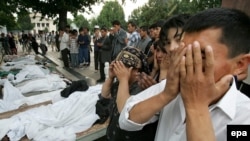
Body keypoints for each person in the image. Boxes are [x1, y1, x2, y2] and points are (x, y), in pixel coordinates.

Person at [119, 8, 250, 141]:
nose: (186, 62)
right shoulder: (173, 86)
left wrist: (196, 107)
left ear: (240, 64)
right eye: (183, 52)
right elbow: (125, 119)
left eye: (201, 55)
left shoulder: (244, 117)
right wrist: (165, 95)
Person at [100, 46, 158, 141]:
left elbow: (125, 112)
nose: (118, 69)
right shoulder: (119, 84)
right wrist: (110, 77)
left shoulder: (142, 89)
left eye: (123, 67)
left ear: (136, 71)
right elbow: (105, 95)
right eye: (118, 65)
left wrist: (123, 79)